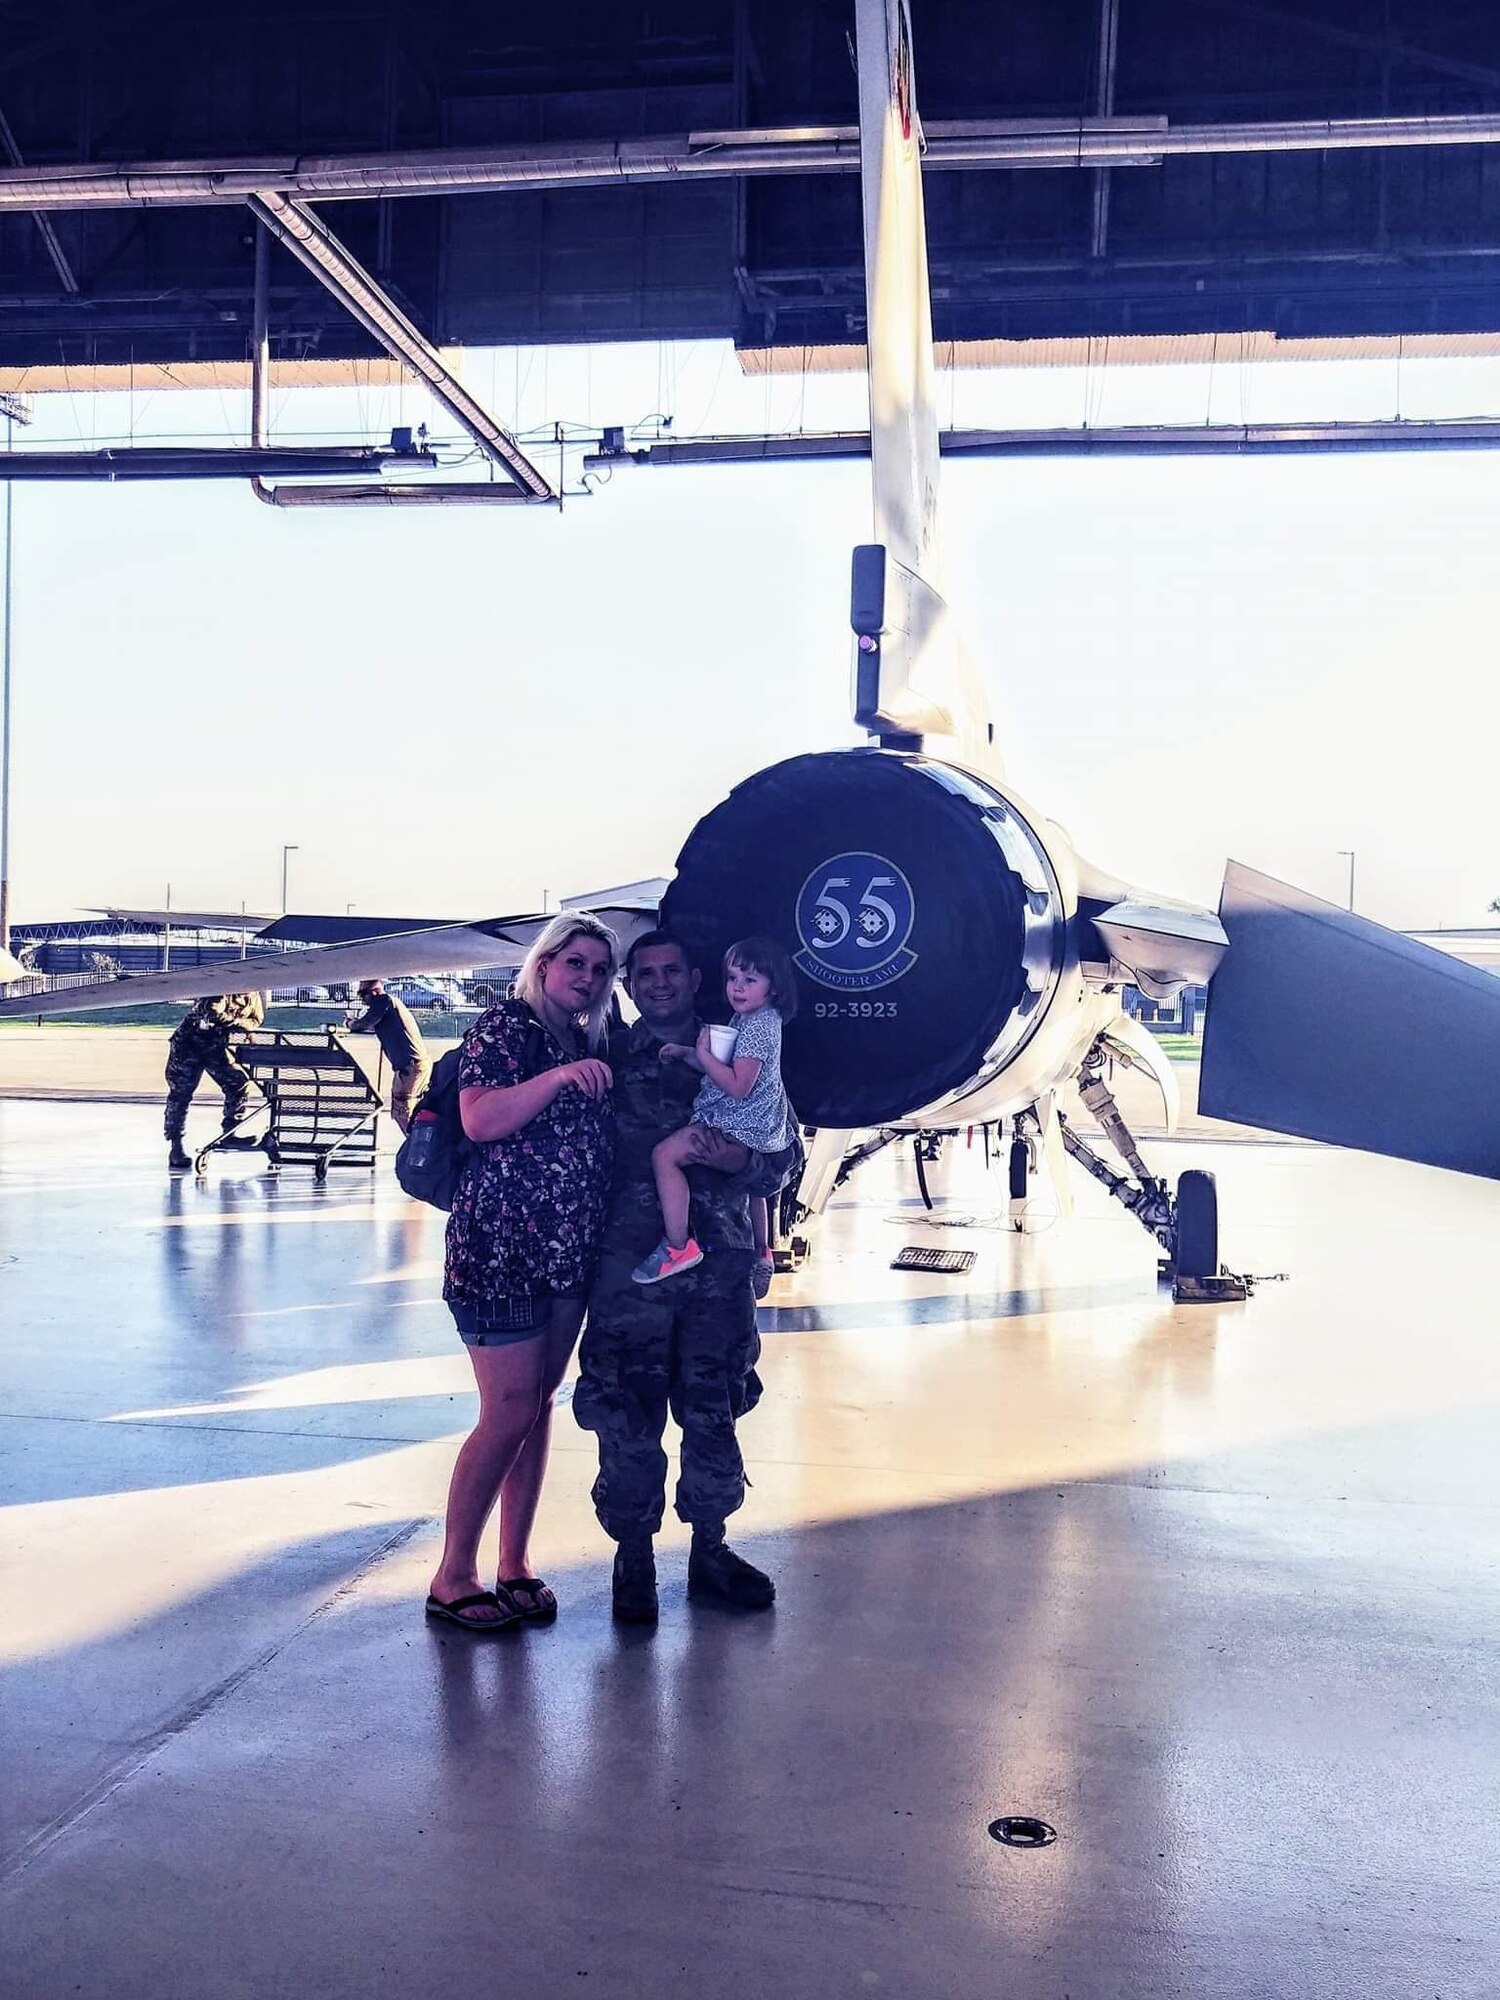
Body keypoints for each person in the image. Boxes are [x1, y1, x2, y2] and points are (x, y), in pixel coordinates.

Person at [574, 929, 798, 1626]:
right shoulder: (606, 1058)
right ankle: (632, 1558)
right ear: (630, 985)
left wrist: (739, 1164)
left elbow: (781, 1154)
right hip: (632, 1274)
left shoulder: (740, 1049)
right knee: (627, 1418)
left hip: (718, 1275)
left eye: (673, 971)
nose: (661, 983)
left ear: (694, 977)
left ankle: (710, 1552)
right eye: (647, 974)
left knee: (714, 1412)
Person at [425, 913, 619, 1635]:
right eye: (576, 963)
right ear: (544, 966)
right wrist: (560, 1077)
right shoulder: (507, 1029)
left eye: (601, 969)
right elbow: (479, 1119)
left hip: (565, 1254)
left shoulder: (592, 1038)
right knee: (507, 1410)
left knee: (536, 1406)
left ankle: (513, 1562)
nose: (589, 979)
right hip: (501, 1248)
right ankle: (453, 1575)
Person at [632, 936, 798, 1293]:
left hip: (721, 1282)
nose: (737, 988)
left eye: (749, 980)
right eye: (733, 978)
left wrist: (739, 1161)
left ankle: (678, 1246)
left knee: (664, 1155)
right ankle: (761, 1249)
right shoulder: (745, 1020)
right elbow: (723, 1067)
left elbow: (740, 1089)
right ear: (630, 985)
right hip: (631, 1287)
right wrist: (690, 1053)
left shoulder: (755, 1027)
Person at [163, 992, 266, 1171]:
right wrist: (242, 1025)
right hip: (188, 1045)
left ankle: (230, 1131)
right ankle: (176, 1146)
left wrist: (246, 1027)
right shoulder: (222, 989)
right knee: (181, 1094)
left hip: (216, 1047)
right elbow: (211, 1012)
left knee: (238, 1083)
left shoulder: (254, 996)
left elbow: (256, 1019)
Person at [345, 977, 430, 1133]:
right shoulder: (390, 1004)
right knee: (405, 1109)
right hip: (413, 1064)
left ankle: (414, 1145)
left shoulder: (383, 1000)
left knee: (401, 1111)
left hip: (410, 1065)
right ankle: (415, 1142)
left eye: (363, 993)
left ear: (375, 991)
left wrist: (350, 1023)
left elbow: (363, 1024)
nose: (362, 998)